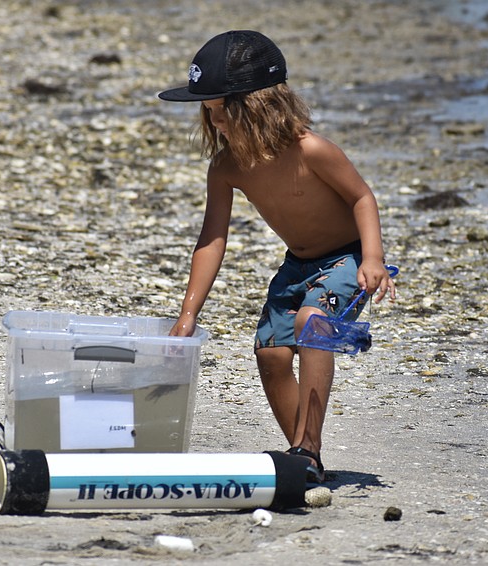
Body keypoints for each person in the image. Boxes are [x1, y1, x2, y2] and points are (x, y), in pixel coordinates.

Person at [158, 30, 396, 483]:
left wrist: (373, 258)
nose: (215, 125)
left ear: (257, 105)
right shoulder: (226, 167)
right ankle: (305, 459)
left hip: (346, 260)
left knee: (311, 324)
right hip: (297, 266)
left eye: (219, 112)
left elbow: (362, 197)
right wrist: (189, 312)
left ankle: (308, 446)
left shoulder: (312, 150)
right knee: (268, 352)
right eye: (208, 115)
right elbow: (212, 238)